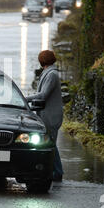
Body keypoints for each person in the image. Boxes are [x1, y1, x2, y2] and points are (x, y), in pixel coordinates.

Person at [27, 50, 64, 182]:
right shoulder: (50, 73)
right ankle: (56, 171)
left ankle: (58, 172)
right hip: (48, 115)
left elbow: (43, 95)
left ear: (42, 61)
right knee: (50, 143)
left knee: (51, 144)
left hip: (51, 116)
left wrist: (25, 98)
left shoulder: (52, 75)